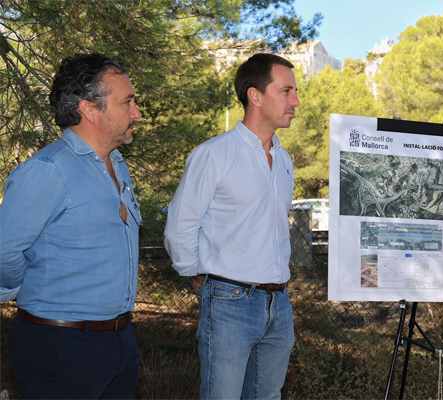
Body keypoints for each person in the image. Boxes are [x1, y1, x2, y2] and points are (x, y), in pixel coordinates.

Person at [0, 53, 143, 399]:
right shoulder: (49, 170)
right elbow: (4, 251)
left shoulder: (118, 166)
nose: (137, 113)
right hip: (61, 346)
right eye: (127, 102)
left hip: (120, 341)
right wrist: (28, 288)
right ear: (90, 109)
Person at [164, 53, 299, 400]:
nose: (295, 101)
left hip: (280, 305)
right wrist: (196, 273)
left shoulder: (284, 161)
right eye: (286, 91)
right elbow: (181, 224)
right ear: (255, 96)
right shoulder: (214, 154)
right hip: (229, 302)